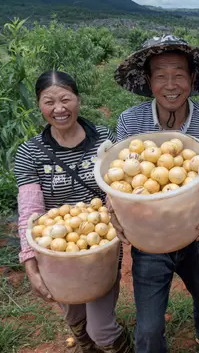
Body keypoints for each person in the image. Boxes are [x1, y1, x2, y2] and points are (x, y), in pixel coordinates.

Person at [111, 35, 199, 353]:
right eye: (161, 75)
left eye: (179, 74)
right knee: (150, 331)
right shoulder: (131, 122)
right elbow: (117, 181)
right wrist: (113, 207)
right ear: (149, 80)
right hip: (149, 237)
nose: (171, 84)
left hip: (197, 231)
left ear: (192, 79)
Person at [15, 70, 132, 352]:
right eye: (48, 102)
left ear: (78, 100)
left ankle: (121, 345)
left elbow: (117, 187)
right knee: (75, 320)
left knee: (101, 329)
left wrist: (115, 212)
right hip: (57, 252)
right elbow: (29, 210)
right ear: (39, 105)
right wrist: (30, 264)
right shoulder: (30, 153)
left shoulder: (104, 139)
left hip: (100, 246)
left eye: (66, 99)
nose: (59, 109)